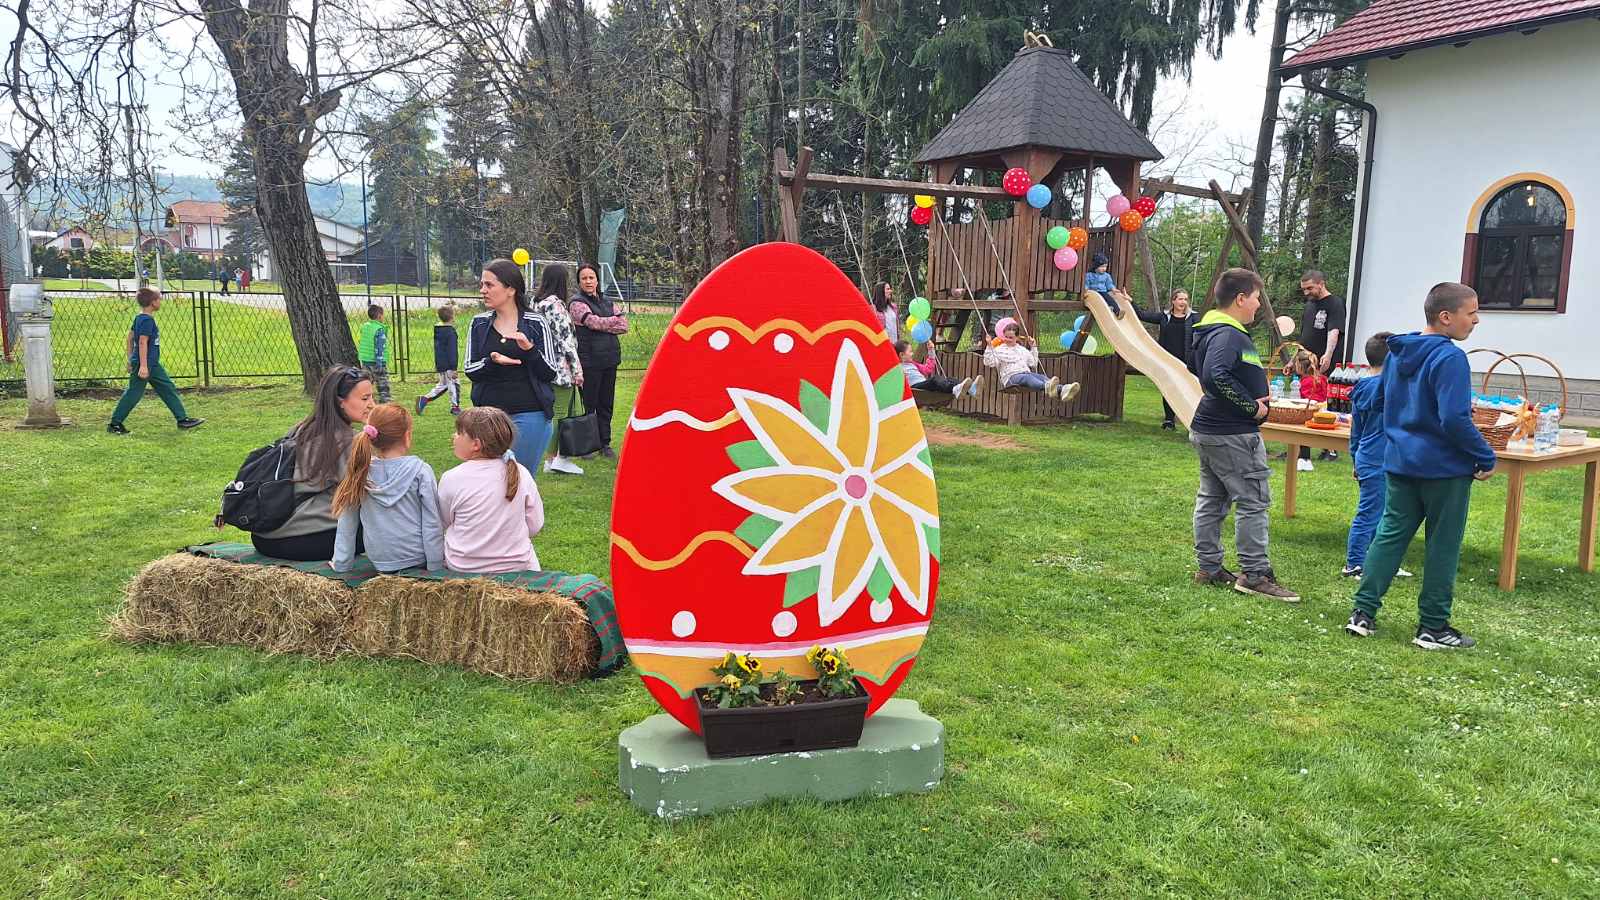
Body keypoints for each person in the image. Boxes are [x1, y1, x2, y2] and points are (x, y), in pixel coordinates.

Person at [1344, 283, 1496, 649]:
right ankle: (1433, 626)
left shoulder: (1398, 353)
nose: (1476, 320)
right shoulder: (1450, 358)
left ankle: (1362, 614)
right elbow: (1454, 418)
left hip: (1400, 463)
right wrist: (1485, 455)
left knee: (1389, 536)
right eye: (1471, 312)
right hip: (1444, 470)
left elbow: (1379, 399)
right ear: (1446, 317)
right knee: (1442, 545)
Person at [1188, 268, 1297, 601]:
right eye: (1255, 298)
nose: (1258, 305)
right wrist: (1252, 407)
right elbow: (1215, 375)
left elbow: (1201, 368)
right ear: (1240, 299)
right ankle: (1255, 574)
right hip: (1232, 433)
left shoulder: (1211, 331)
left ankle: (1210, 568)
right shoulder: (1228, 335)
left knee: (1212, 498)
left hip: (1212, 429)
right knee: (1253, 501)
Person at [252, 366, 376, 561]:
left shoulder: (301, 429)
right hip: (301, 541)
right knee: (381, 528)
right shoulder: (349, 441)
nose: (372, 405)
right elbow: (368, 494)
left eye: (372, 397)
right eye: (365, 398)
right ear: (340, 401)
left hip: (263, 537)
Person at [329, 403, 444, 573]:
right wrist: (435, 566)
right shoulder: (421, 471)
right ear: (407, 436)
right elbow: (432, 521)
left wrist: (341, 564)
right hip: (417, 558)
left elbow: (347, 522)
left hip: (380, 560)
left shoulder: (360, 470)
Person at [467, 259, 558, 473]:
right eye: (482, 285)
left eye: (489, 285)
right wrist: (492, 362)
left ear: (510, 289)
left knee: (518, 481)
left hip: (529, 414)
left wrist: (530, 350)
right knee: (488, 482)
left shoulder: (536, 323)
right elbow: (470, 370)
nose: (483, 290)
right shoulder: (479, 323)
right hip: (487, 418)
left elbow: (550, 372)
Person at [438, 407, 545, 573]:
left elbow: (442, 522)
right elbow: (535, 525)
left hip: (464, 568)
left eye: (459, 433)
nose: (454, 436)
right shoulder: (521, 472)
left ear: (476, 444)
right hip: (517, 567)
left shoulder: (451, 478)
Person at [1343, 332, 1410, 580]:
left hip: (1367, 457)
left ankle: (1381, 562)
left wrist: (1355, 458)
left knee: (1381, 513)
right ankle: (1354, 563)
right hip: (1379, 460)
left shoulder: (1361, 387)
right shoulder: (1391, 389)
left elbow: (1356, 431)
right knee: (1371, 512)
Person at [107, 288, 205, 434]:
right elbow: (142, 342)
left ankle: (182, 420)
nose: (160, 301)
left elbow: (129, 338)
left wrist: (130, 359)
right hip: (145, 364)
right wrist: (143, 366)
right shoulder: (147, 320)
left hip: (151, 364)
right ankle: (115, 424)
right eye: (159, 299)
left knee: (167, 387)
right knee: (134, 393)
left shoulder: (139, 317)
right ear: (153, 302)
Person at [531, 264, 586, 476]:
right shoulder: (555, 305)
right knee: (564, 414)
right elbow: (566, 341)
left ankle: (553, 459)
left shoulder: (536, 303)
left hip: (542, 365)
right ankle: (557, 459)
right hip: (561, 369)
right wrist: (577, 371)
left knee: (554, 413)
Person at [569, 263, 626, 459]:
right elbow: (592, 322)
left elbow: (623, 325)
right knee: (589, 404)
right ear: (579, 282)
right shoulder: (576, 303)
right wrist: (612, 320)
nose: (588, 281)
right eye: (584, 278)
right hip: (590, 361)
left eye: (591, 277)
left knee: (606, 403)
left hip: (610, 360)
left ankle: (604, 443)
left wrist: (604, 322)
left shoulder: (608, 302)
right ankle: (587, 446)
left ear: (597, 280)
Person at [1132, 287, 1200, 429]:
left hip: (1186, 360)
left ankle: (1192, 419)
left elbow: (1204, 333)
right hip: (1167, 360)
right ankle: (1169, 420)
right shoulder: (1164, 316)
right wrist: (1130, 301)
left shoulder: (1194, 317)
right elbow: (1142, 315)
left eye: (1185, 299)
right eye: (1180, 299)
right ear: (1173, 301)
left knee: (1187, 389)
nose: (1183, 302)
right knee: (1168, 388)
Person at [982, 322, 1079, 401]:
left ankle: (1063, 390)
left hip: (1025, 374)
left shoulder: (1022, 350)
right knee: (1027, 377)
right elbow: (988, 362)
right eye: (1006, 337)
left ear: (1017, 337)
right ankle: (1049, 387)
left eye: (1011, 337)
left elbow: (1033, 362)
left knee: (1040, 376)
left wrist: (1033, 346)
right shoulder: (1000, 350)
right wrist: (989, 346)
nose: (1007, 339)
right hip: (1011, 378)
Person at [416, 305, 461, 416]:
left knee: (444, 385)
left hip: (441, 363)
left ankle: (424, 399)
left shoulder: (439, 331)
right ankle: (455, 407)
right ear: (452, 317)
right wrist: (454, 368)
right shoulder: (451, 333)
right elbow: (452, 351)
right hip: (449, 365)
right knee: (453, 384)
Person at [1298, 270, 1346, 371]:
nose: (1306, 292)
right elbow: (1303, 337)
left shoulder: (1335, 303)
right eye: (1303, 289)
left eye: (1309, 288)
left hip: (1324, 365)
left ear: (1321, 284)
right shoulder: (1309, 305)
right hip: (1307, 366)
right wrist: (1293, 360)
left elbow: (1334, 331)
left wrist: (1328, 355)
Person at [1291, 350, 1330, 471]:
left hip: (1312, 413)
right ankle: (1330, 451)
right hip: (1323, 412)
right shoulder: (1322, 378)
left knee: (1301, 428)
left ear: (1300, 366)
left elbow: (1307, 401)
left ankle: (1304, 458)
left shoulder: (1305, 381)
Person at [897, 340, 976, 398]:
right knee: (935, 379)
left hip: (924, 384)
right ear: (902, 355)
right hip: (915, 388)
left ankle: (970, 389)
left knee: (950, 379)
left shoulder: (913, 364)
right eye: (910, 351)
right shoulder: (897, 368)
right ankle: (955, 389)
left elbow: (928, 369)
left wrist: (931, 350)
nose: (912, 353)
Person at [358, 303, 392, 403]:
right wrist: (379, 362)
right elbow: (379, 347)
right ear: (380, 316)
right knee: (383, 385)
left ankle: (365, 402)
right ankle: (385, 403)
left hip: (365, 361)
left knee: (366, 383)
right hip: (377, 363)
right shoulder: (379, 329)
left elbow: (363, 341)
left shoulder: (365, 327)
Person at [1085, 252, 1121, 317]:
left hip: (1103, 292)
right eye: (1102, 266)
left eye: (1105, 266)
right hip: (1093, 294)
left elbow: (1109, 284)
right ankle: (1109, 308)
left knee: (1109, 299)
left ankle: (1117, 312)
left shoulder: (1106, 276)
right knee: (1102, 299)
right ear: (1096, 266)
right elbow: (1086, 284)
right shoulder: (1089, 275)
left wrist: (1113, 289)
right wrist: (1086, 290)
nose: (1104, 268)